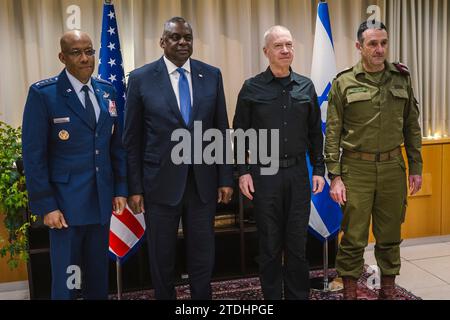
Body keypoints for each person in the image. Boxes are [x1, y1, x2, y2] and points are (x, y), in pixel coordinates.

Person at [123, 17, 234, 300]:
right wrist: (134, 187)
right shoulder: (140, 79)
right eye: (175, 37)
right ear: (162, 42)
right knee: (162, 256)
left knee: (202, 253)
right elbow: (132, 139)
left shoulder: (211, 75)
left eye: (188, 37)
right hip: (158, 184)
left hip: (202, 182)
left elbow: (220, 130)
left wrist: (225, 177)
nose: (183, 42)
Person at [22, 30, 127, 299]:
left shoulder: (106, 91)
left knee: (96, 276)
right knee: (69, 278)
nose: (85, 58)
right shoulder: (44, 94)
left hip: (101, 200)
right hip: (65, 207)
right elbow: (34, 156)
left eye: (89, 51)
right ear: (62, 57)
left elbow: (116, 146)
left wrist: (120, 189)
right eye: (76, 52)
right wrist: (47, 205)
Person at [325, 21, 423, 300]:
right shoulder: (344, 82)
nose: (379, 49)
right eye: (372, 44)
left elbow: (411, 127)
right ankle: (350, 292)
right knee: (354, 237)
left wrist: (416, 167)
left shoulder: (401, 78)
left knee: (390, 234)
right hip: (356, 169)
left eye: (383, 43)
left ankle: (388, 290)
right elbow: (332, 132)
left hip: (393, 166)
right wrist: (335, 175)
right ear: (359, 47)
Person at [233, 25, 325, 300]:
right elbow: (239, 134)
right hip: (265, 174)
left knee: (297, 244)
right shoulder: (251, 88)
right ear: (266, 52)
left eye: (289, 45)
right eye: (278, 46)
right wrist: (242, 172)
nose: (285, 50)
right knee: (270, 244)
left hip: (298, 174)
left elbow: (313, 134)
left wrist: (318, 169)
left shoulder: (306, 86)